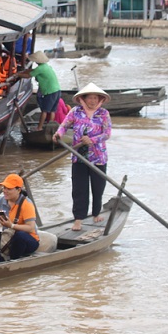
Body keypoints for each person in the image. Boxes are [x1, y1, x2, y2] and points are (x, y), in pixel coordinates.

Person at [52, 83, 112, 231]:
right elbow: (64, 125)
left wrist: (93, 140)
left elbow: (107, 134)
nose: (92, 100)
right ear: (83, 99)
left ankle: (96, 213)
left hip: (98, 157)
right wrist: (59, 133)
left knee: (98, 188)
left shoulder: (103, 113)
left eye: (95, 98)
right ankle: (78, 219)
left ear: (100, 99)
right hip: (79, 156)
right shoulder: (75, 112)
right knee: (79, 189)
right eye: (90, 98)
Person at [0, 174, 40, 262]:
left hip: (28, 240)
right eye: (4, 188)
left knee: (20, 236)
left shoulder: (26, 204)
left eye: (9, 189)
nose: (5, 191)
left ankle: (13, 260)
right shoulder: (0, 202)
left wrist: (11, 225)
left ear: (18, 190)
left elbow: (30, 228)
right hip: (8, 237)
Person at [17, 50, 61, 131]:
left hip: (50, 92)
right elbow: (32, 71)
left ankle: (39, 128)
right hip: (57, 90)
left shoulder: (40, 68)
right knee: (52, 111)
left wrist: (17, 74)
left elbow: (27, 76)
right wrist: (24, 71)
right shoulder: (46, 66)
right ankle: (49, 128)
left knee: (44, 111)